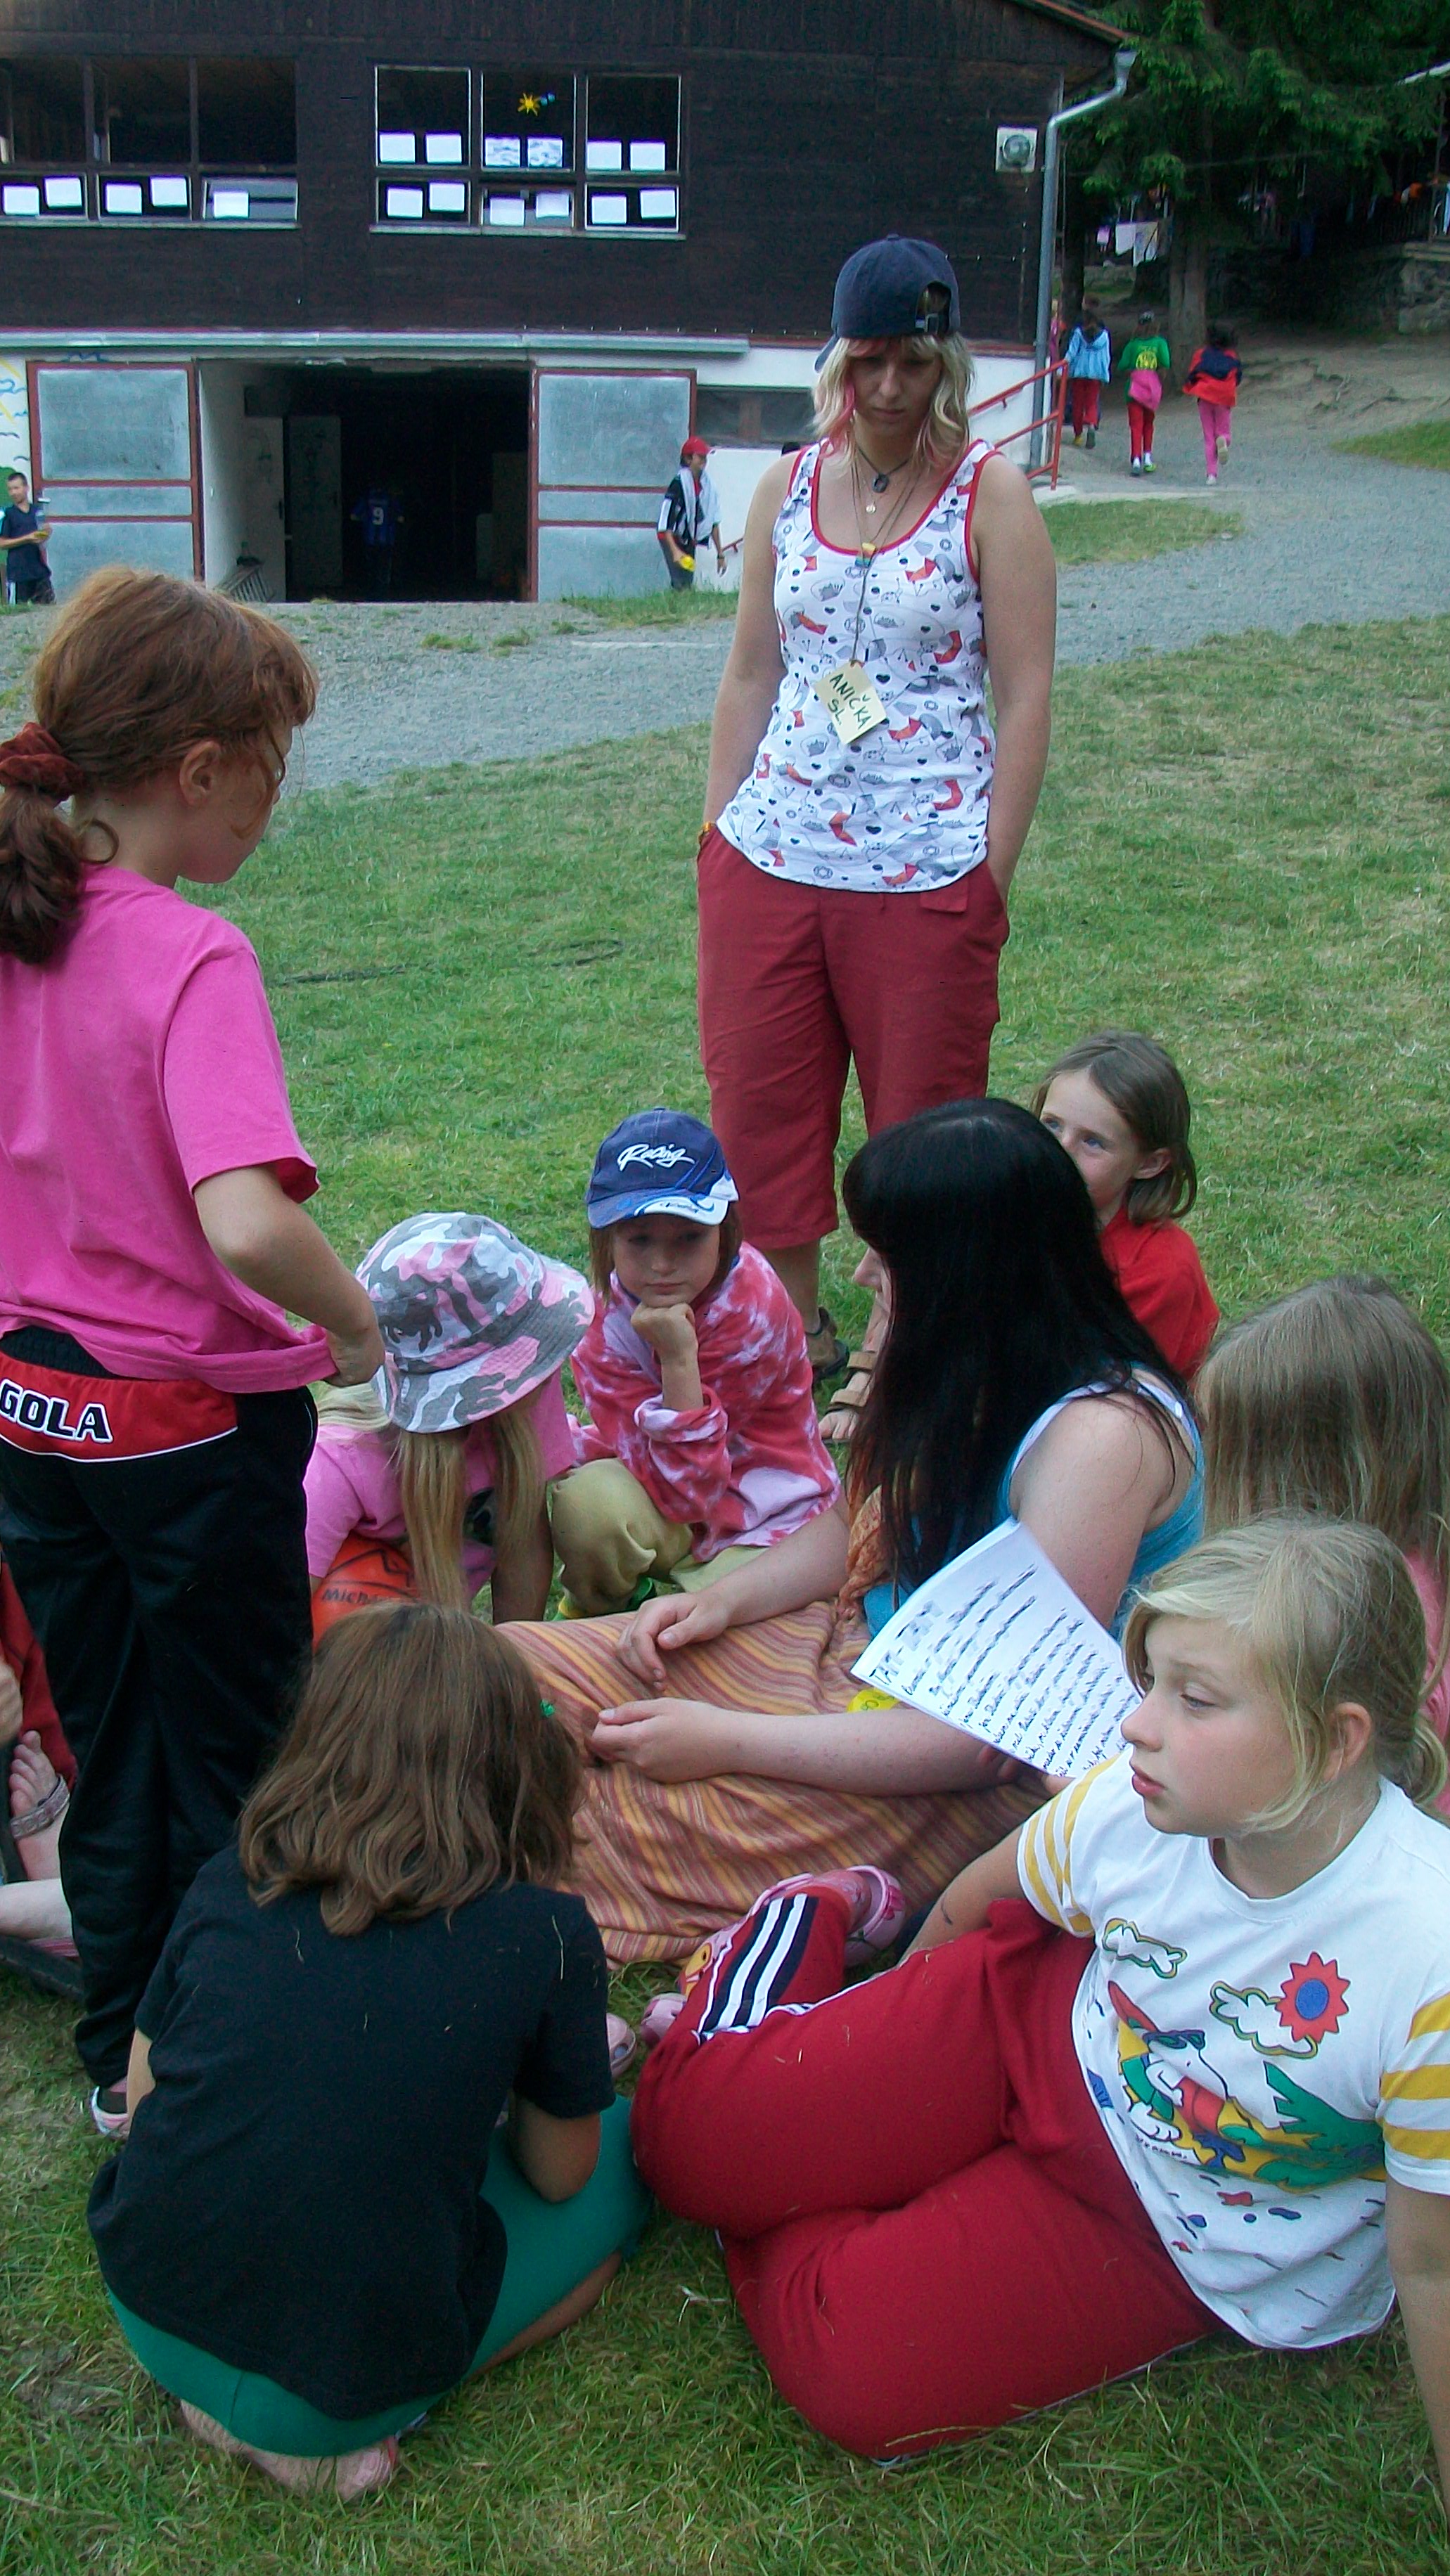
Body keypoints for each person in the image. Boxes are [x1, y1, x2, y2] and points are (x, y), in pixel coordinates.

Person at [629, 1519, 1450, 2478]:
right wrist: (873, 2038)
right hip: (1028, 2016)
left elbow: (1430, 2260)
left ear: (1335, 1741)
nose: (1136, 1724)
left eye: (1193, 1699)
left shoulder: (1424, 1958)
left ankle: (813, 2182)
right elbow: (986, 1891)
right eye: (1148, 1682)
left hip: (1171, 2230)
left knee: (856, 2377)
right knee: (683, 2142)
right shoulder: (1131, 1803)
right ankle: (804, 1918)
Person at [501, 1098, 1200, 1963]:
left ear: (968, 1272)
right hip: (851, 1652)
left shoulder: (1100, 1439)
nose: (864, 1274)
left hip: (953, 1754)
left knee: (615, 1817)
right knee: (499, 1670)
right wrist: (722, 1606)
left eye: (887, 1255)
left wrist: (725, 1739)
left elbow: (991, 1738)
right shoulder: (964, 1358)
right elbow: (852, 1525)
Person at [0, 567, 383, 2136]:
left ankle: (124, 2060)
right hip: (188, 1426)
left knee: (107, 1740)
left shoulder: (16, 920)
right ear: (201, 767)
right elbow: (245, 1222)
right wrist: (352, 1320)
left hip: (32, 1412)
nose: (271, 809)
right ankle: (242, 2067)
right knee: (241, 1757)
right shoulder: (190, 956)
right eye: (268, 774)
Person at [89, 1606, 650, 2500]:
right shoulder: (544, 1930)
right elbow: (560, 2173)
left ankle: (241, 2407)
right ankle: (377, 2417)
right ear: (514, 1767)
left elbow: (146, 2094)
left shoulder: (234, 1873)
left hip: (148, 2304)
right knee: (623, 2175)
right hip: (342, 2379)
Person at [696, 236, 1056, 1382]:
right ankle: (791, 1345)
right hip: (770, 860)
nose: (890, 387)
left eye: (912, 360)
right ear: (837, 362)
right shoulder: (787, 486)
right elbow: (752, 668)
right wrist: (715, 834)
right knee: (761, 1124)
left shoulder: (991, 495)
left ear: (944, 360)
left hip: (925, 871)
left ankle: (899, 1363)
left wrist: (988, 871)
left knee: (924, 1139)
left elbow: (1026, 694)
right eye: (868, 361)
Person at [551, 1109, 839, 1614]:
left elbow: (691, 1494)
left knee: (739, 1627)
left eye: (689, 1237)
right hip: (666, 1491)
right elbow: (674, 1492)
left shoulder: (753, 1307)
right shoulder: (599, 1318)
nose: (662, 1265)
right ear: (607, 1239)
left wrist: (679, 1360)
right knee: (587, 1509)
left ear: (725, 1230)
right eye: (639, 1239)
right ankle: (601, 1616)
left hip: (764, 1516)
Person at [1197, 1274, 1450, 1816]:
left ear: (1300, 1475)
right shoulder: (1420, 1540)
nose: (1204, 1462)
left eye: (1221, 1446)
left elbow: (1301, 1820)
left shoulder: (1353, 1630)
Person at [307, 1213, 591, 1633]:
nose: (546, 1362)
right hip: (356, 1658)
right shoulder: (340, 1464)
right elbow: (274, 1612)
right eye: (526, 1352)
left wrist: (513, 1658)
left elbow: (522, 1542)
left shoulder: (523, 1399)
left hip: (444, 1642)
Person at [1034, 1031, 1218, 1379]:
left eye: (1093, 1142)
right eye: (1052, 1125)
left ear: (1149, 1164)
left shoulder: (1161, 1269)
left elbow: (1103, 1390)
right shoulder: (1019, 1211)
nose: (1060, 1149)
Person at [657, 438, 725, 590]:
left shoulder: (708, 486)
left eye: (705, 457)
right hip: (671, 537)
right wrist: (675, 551)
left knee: (687, 581)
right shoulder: (678, 484)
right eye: (700, 457)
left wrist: (720, 553)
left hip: (689, 538)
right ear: (688, 459)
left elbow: (713, 521)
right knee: (679, 581)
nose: (704, 461)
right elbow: (666, 521)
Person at [1183, 326, 1243, 485]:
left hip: (1204, 397)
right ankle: (1223, 440)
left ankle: (1211, 474)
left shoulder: (1201, 354)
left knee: (1209, 437)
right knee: (1223, 432)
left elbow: (1192, 374)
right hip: (1223, 397)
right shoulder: (1232, 356)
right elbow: (1238, 376)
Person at [1117, 311, 1172, 477]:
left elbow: (1122, 365)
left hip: (1134, 389)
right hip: (1151, 389)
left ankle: (1136, 459)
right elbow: (1166, 362)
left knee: (1136, 426)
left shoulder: (1133, 344)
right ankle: (1148, 458)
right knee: (1149, 424)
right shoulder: (1160, 343)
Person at [0, 468, 53, 606]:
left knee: (48, 611)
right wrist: (27, 538)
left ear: (26, 488)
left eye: (16, 488)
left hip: (38, 571)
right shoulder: (9, 514)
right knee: (19, 614)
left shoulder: (37, 512)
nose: (13, 493)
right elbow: (2, 543)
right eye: (10, 489)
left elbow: (42, 543)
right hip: (18, 575)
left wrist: (46, 533)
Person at [1064, 308, 1112, 448]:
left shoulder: (1078, 334)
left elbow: (1071, 353)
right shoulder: (1104, 336)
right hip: (1096, 375)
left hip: (1079, 373)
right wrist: (1105, 375)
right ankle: (1091, 424)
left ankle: (1078, 435)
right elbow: (1106, 357)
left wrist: (1063, 368)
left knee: (1077, 404)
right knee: (1092, 403)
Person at [350, 487, 401, 599]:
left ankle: (371, 591)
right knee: (384, 567)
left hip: (370, 538)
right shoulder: (391, 499)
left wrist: (365, 520)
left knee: (371, 566)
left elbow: (353, 516)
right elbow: (400, 518)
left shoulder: (366, 498)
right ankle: (383, 592)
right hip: (386, 539)